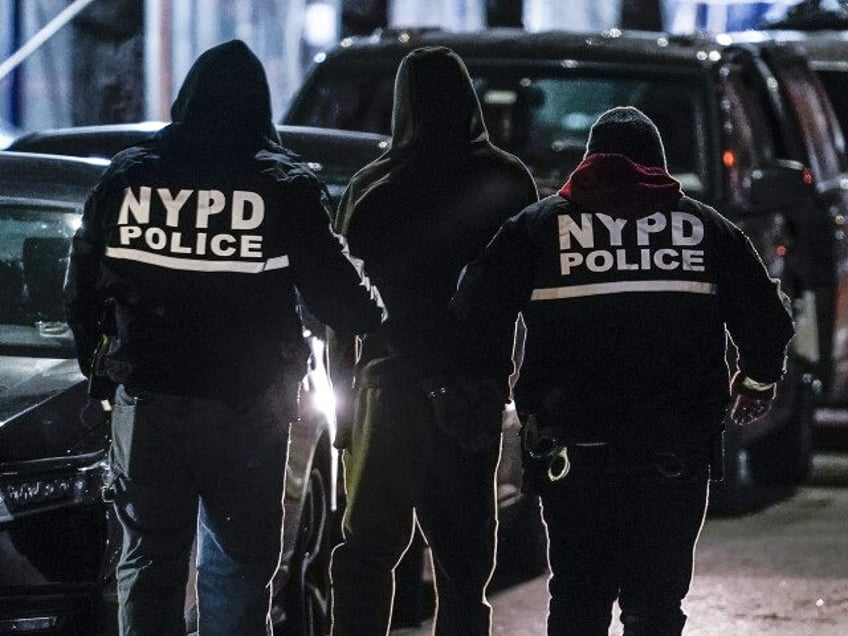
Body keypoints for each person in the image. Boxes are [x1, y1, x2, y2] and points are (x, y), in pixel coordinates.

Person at [64, 40, 384, 636]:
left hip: (149, 401)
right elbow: (341, 299)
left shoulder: (132, 174)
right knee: (237, 565)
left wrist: (100, 369)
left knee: (147, 561)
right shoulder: (283, 185)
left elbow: (81, 283)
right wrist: (376, 316)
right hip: (246, 407)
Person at [449, 106, 795, 636]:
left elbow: (474, 312)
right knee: (655, 605)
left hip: (571, 451)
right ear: (658, 164)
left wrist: (489, 388)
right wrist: (756, 381)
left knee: (577, 600)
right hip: (674, 453)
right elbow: (768, 320)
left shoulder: (539, 228)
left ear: (588, 160)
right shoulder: (705, 230)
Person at [328, 46, 538, 635]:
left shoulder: (373, 186)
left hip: (386, 387)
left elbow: (345, 312)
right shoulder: (507, 179)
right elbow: (531, 290)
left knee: (368, 548)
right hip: (471, 391)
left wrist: (344, 416)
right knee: (463, 561)